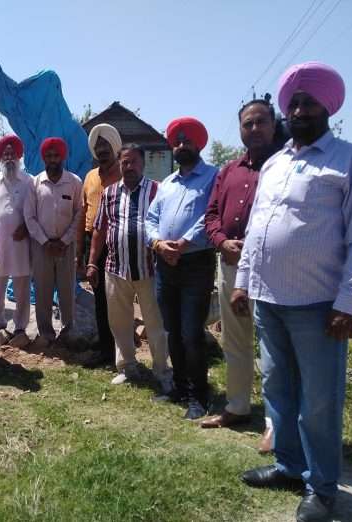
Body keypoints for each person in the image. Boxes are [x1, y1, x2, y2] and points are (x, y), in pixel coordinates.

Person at [234, 62, 352, 522]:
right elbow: (258, 228)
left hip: (318, 306)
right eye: (293, 102)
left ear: (328, 106)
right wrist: (242, 281)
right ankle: (289, 466)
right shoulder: (275, 163)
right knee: (278, 388)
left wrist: (348, 300)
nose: (299, 109)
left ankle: (322, 488)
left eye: (308, 101)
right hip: (269, 301)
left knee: (319, 400)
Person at [201, 98, 278, 451]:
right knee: (235, 339)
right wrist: (220, 240)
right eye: (247, 124)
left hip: (271, 270)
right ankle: (237, 406)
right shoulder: (229, 170)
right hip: (230, 265)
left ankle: (275, 422)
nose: (254, 129)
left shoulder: (283, 168)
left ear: (274, 125)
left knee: (272, 347)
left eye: (260, 122)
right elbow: (212, 213)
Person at [145, 117, 218, 420]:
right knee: (171, 330)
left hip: (196, 263)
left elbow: (213, 214)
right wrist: (159, 244)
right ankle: (179, 386)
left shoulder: (214, 176)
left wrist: (185, 242)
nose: (182, 145)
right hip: (165, 263)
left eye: (187, 141)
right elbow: (150, 219)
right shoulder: (167, 184)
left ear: (199, 144)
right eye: (177, 141)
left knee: (191, 332)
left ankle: (199, 395)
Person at [87, 144, 172, 395]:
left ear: (142, 164)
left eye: (134, 161)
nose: (129, 166)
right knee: (119, 321)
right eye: (125, 162)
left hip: (150, 269)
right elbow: (100, 230)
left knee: (155, 323)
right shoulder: (110, 193)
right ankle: (126, 367)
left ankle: (162, 371)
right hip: (116, 267)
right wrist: (92, 262)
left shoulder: (157, 190)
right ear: (119, 164)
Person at [24, 137, 83, 348]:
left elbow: (79, 213)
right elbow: (29, 216)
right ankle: (46, 334)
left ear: (62, 156)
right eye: (48, 155)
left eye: (56, 155)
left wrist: (65, 240)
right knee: (43, 290)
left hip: (66, 247)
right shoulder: (35, 183)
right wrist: (45, 241)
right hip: (42, 247)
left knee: (67, 290)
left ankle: (68, 331)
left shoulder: (75, 182)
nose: (52, 159)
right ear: (44, 158)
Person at [77, 124, 122, 368]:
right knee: (100, 298)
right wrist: (80, 252)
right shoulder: (90, 176)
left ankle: (118, 348)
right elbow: (83, 213)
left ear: (115, 147)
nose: (102, 150)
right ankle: (105, 347)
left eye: (106, 145)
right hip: (91, 241)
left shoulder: (124, 173)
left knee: (117, 297)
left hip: (117, 241)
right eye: (98, 146)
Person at [0, 135, 32, 348]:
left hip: (22, 243)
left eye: (12, 153)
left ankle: (20, 326)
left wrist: (27, 227)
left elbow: (35, 211)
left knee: (22, 287)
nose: (9, 157)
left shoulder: (29, 181)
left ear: (19, 156)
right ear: (0, 158)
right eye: (5, 153)